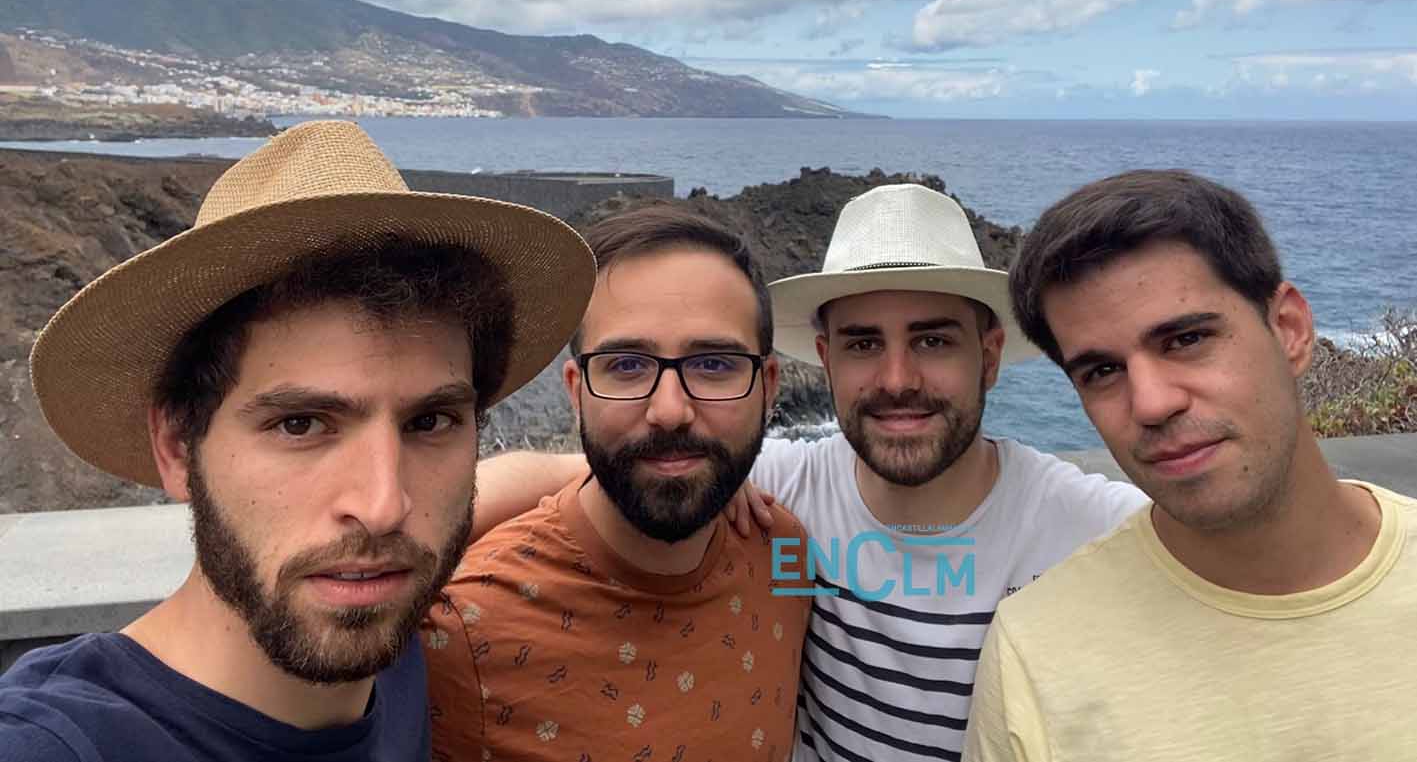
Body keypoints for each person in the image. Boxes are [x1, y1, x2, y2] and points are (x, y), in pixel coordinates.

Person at [468, 183, 1147, 762]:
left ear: (989, 355)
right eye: (861, 343)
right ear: (823, 359)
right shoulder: (780, 489)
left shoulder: (1088, 526)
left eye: (933, 339)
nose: (896, 379)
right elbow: (598, 468)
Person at [0, 120, 595, 762]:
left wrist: (652, 473)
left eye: (428, 423)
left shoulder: (370, 598)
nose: (384, 506)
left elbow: (504, 485)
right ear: (177, 447)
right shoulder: (60, 740)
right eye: (301, 425)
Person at [964, 169, 1417, 761]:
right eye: (1102, 371)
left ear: (1290, 330)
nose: (1151, 403)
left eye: (1185, 340)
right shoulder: (1035, 654)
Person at [422, 205, 812, 762]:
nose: (670, 412)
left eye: (715, 365)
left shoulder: (783, 554)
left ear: (768, 385)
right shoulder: (457, 629)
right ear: (576, 390)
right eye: (627, 365)